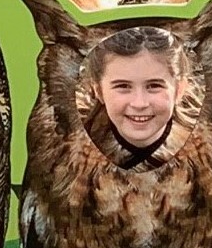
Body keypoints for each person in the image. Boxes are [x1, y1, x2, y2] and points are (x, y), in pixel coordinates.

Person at [78, 26, 196, 170]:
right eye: (123, 86)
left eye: (153, 86)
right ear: (99, 91)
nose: (139, 103)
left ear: (179, 90)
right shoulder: (71, 151)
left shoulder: (205, 149)